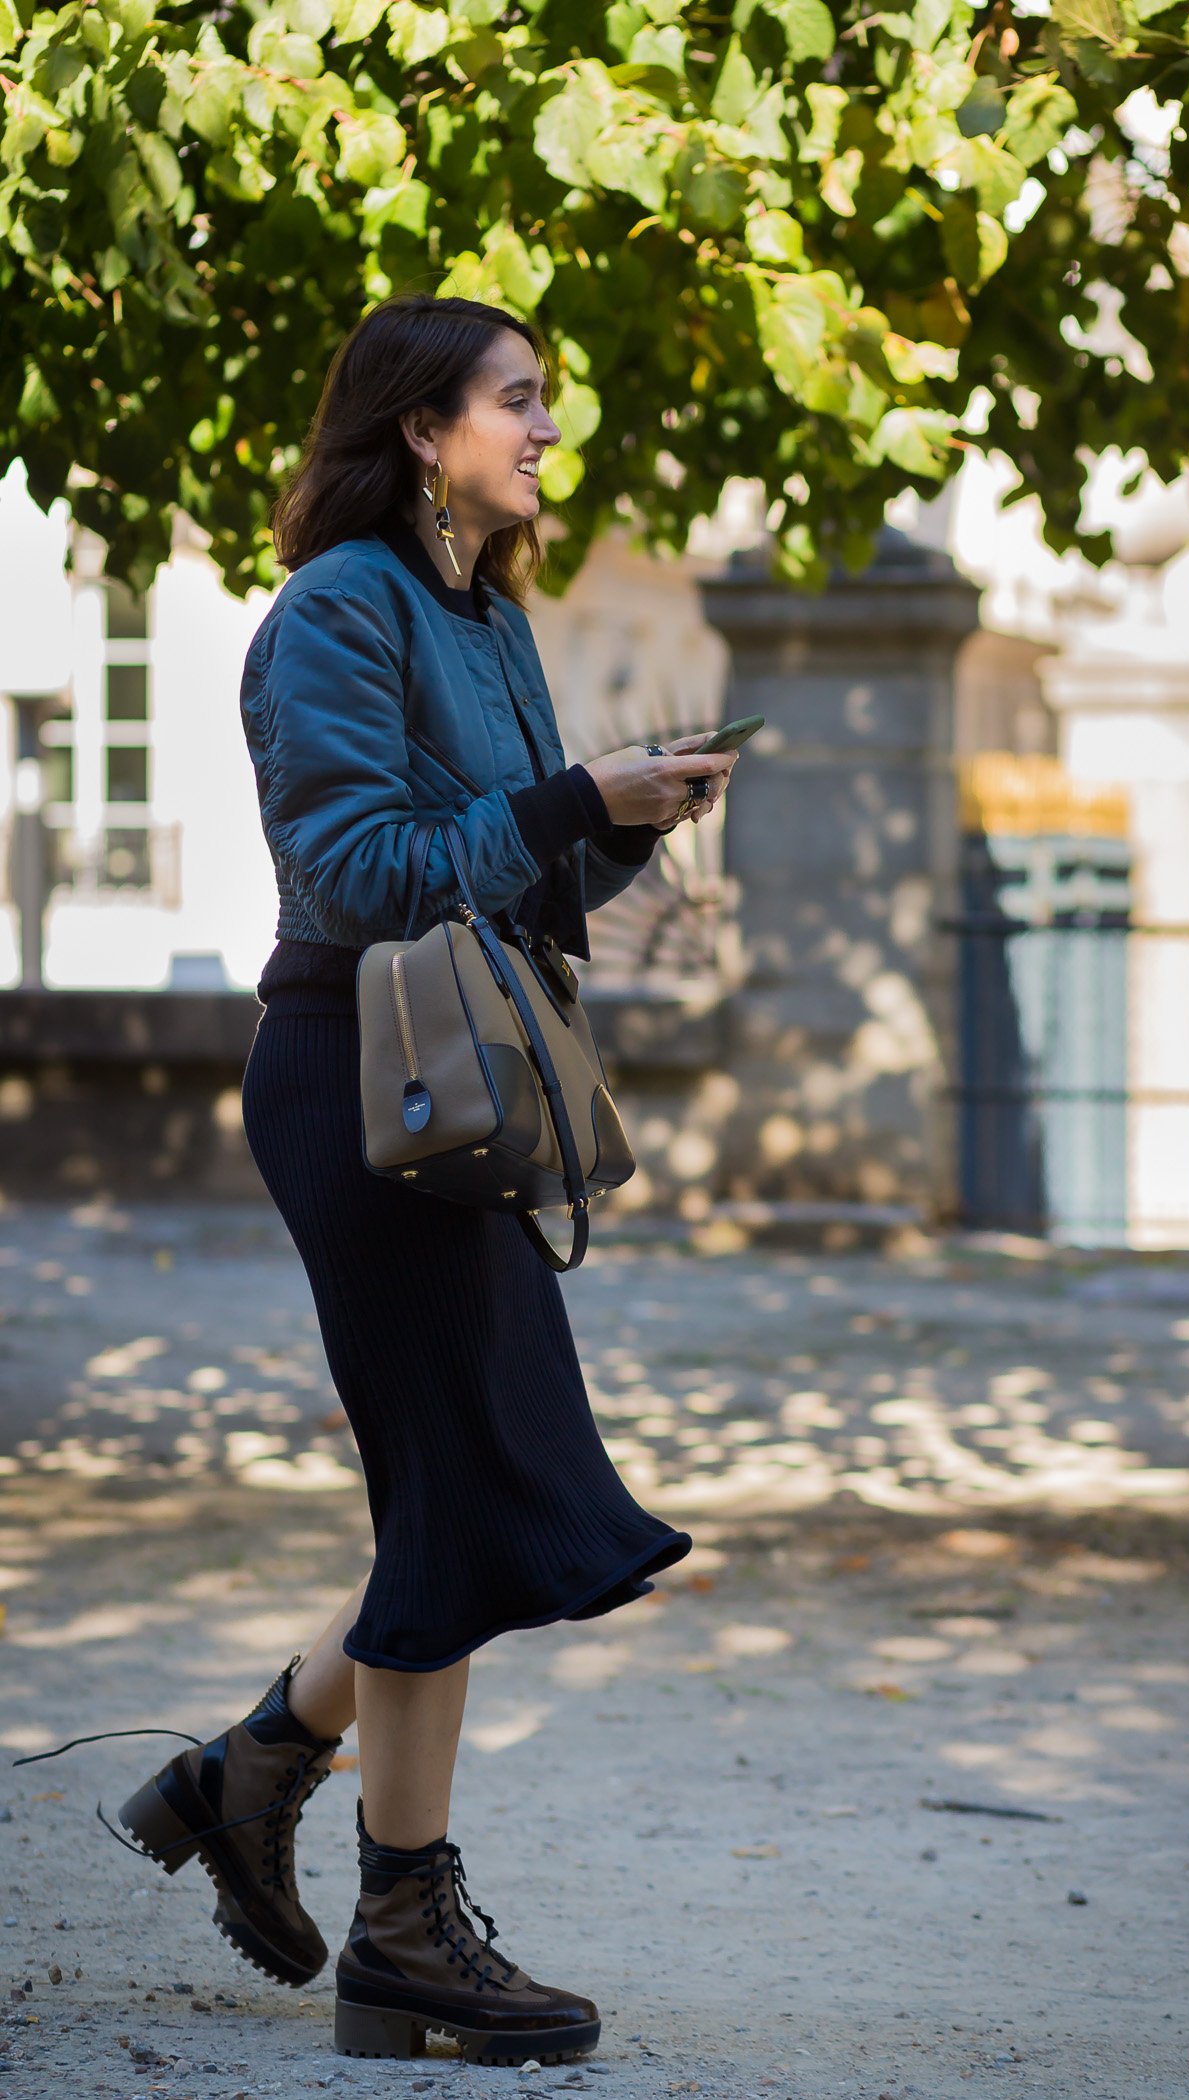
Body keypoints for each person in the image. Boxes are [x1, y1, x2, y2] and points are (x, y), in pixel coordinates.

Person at [113, 293, 737, 2065]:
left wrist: (612, 824)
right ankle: (398, 1930)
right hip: (358, 1084)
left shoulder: (494, 619)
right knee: (460, 1499)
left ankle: (250, 1777)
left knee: (468, 1493)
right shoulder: (335, 610)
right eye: (517, 401)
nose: (546, 428)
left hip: (465, 1088)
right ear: (421, 428)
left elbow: (521, 896)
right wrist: (563, 804)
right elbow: (362, 867)